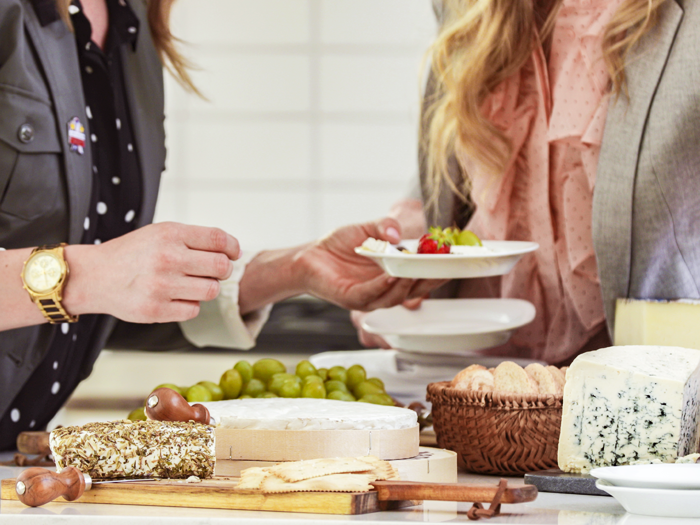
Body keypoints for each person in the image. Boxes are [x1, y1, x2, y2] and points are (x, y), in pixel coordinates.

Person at [0, 0, 440, 449]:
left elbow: (103, 297)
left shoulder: (132, 21)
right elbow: (92, 278)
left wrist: (292, 269)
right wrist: (86, 275)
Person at [358, 0, 699, 365]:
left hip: (633, 387)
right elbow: (474, 158)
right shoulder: (466, 7)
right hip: (480, 373)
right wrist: (410, 231)